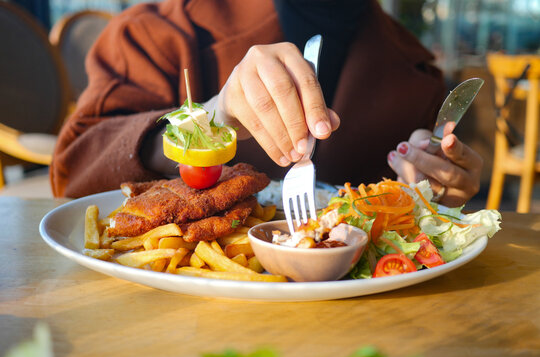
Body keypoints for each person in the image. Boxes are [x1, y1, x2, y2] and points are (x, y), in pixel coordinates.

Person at [50, 0, 482, 207]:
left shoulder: (418, 73)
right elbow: (73, 169)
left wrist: (435, 179)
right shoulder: (156, 33)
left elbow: (423, 202)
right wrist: (210, 118)